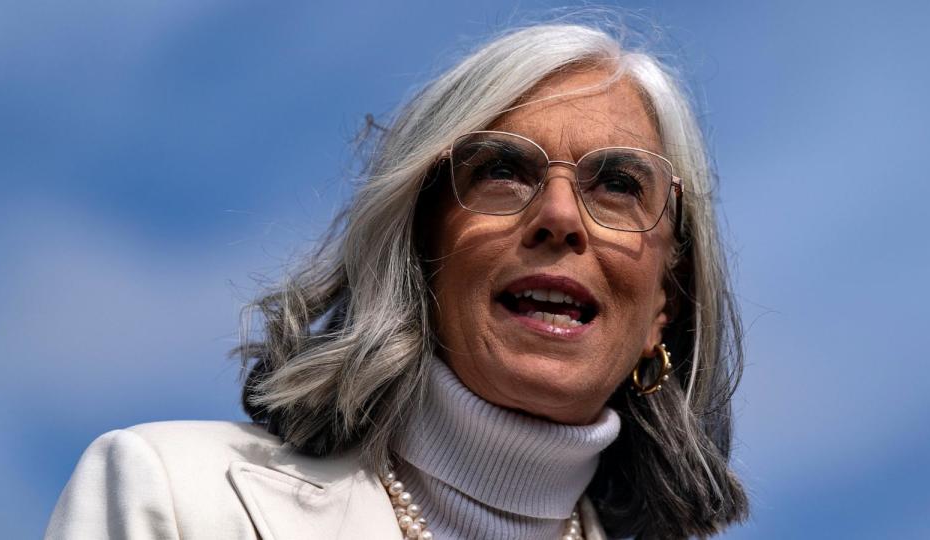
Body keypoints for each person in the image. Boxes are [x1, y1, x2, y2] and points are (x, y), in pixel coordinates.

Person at [46, 20, 748, 540]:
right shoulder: (172, 497)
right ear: (419, 252)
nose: (560, 216)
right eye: (503, 172)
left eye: (619, 184)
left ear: (667, 302)